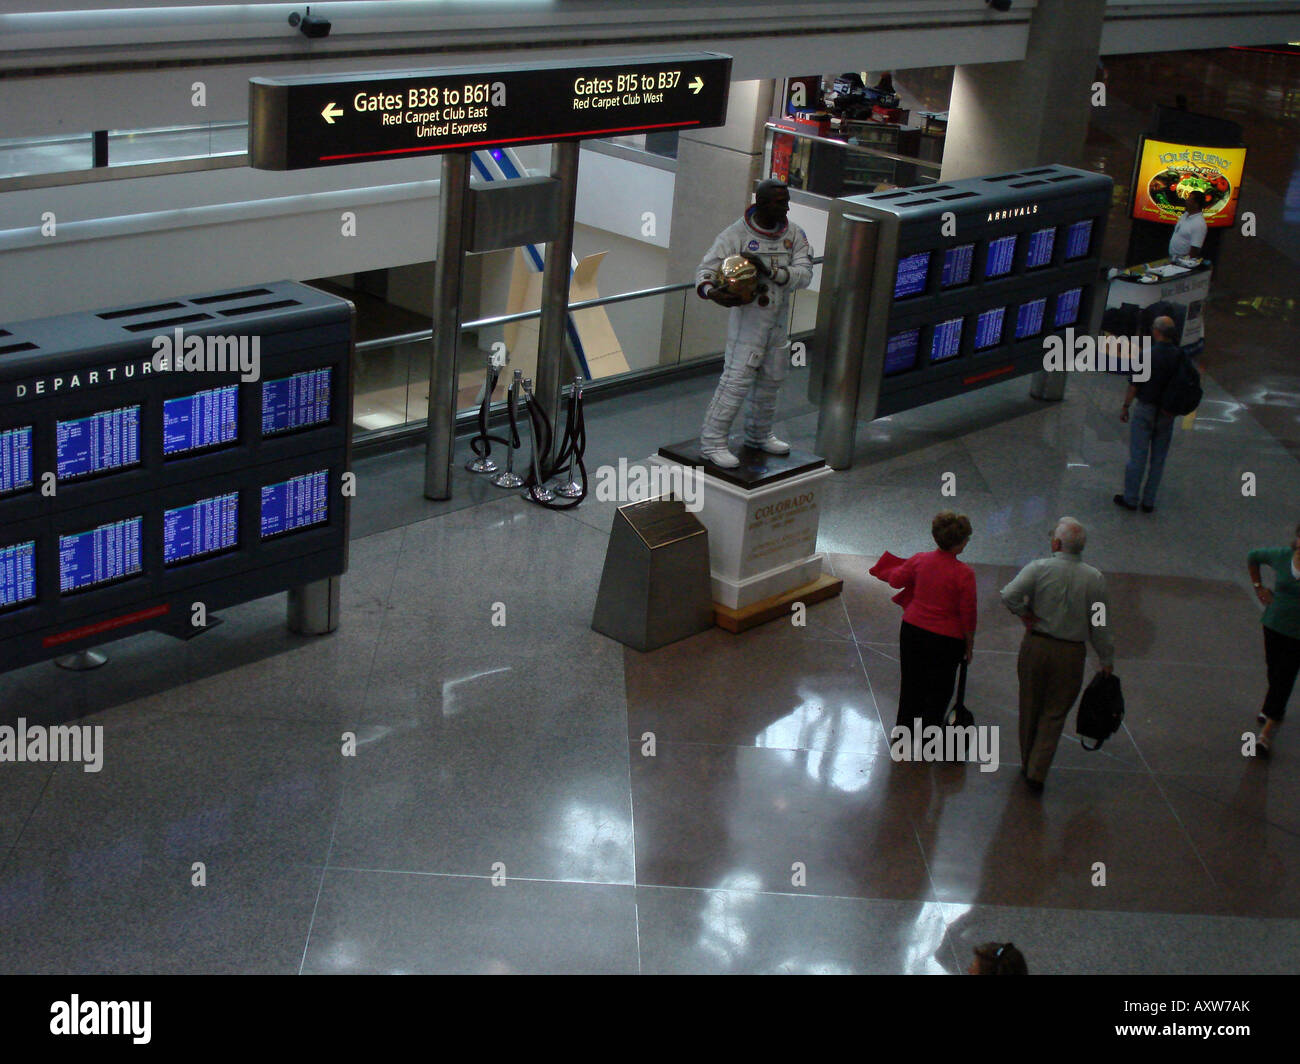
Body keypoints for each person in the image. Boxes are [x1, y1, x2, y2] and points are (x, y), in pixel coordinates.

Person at [695, 179, 814, 468]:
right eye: (779, 202)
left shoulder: (794, 235)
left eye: (786, 201)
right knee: (735, 383)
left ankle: (759, 435)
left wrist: (770, 270)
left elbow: (805, 274)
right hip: (748, 324)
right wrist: (713, 293)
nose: (786, 207)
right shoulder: (735, 234)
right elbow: (705, 270)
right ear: (761, 203)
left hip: (777, 324)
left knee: (771, 382)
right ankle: (711, 443)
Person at [1000, 518, 1114, 793]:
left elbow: (1008, 595)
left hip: (1037, 645)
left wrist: (1025, 615)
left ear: (1055, 543)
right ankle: (1037, 772)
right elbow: (1100, 623)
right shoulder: (1095, 578)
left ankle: (1027, 760)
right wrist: (1106, 658)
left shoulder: (1039, 568)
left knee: (1030, 704)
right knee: (1055, 711)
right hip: (1071, 653)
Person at [879, 512, 977, 731]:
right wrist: (969, 643)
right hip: (947, 640)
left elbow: (895, 580)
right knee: (940, 691)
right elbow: (968, 613)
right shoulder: (965, 574)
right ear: (960, 544)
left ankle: (903, 735)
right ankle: (928, 739)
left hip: (913, 630)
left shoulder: (920, 560)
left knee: (911, 684)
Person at [1115, 315, 1183, 513]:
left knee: (1138, 455)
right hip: (1167, 412)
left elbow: (1134, 385)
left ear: (1157, 332)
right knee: (1158, 458)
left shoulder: (1147, 355)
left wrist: (1125, 406)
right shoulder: (1180, 356)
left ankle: (1131, 498)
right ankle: (1149, 501)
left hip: (1146, 408)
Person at [1246, 523, 1300, 756]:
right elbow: (1253, 557)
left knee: (1285, 676)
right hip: (1274, 623)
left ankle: (1267, 731)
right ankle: (1272, 707)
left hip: (1298, 633)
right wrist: (1259, 587)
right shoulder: (1282, 556)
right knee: (1274, 669)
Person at [1169, 188, 1208, 260]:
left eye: (1189, 199)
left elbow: (1195, 248)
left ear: (1196, 204)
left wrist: (1185, 263)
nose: (1186, 201)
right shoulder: (1185, 215)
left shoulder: (1199, 224)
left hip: (1182, 262)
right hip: (1172, 257)